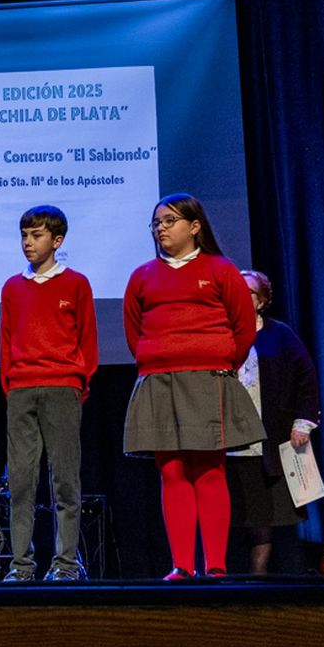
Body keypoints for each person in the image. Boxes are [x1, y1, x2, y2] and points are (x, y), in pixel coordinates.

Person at [123, 194, 262, 580]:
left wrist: (219, 360)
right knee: (171, 470)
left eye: (169, 221)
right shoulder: (142, 275)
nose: (161, 228)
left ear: (194, 226)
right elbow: (134, 331)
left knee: (209, 469)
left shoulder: (220, 269)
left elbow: (243, 328)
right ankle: (182, 565)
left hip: (207, 379)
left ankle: (215, 565)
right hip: (159, 381)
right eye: (157, 223)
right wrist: (157, 359)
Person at [0, 206, 98, 582]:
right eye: (24, 235)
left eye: (36, 235)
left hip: (62, 387)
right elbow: (7, 341)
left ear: (57, 240)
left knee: (65, 481)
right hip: (22, 390)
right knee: (21, 482)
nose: (28, 242)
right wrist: (11, 385)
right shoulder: (12, 287)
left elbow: (87, 341)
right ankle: (21, 565)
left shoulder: (76, 283)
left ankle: (65, 563)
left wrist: (77, 383)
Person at [225, 270, 321, 574]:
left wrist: (303, 421)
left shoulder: (279, 333)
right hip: (227, 441)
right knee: (234, 514)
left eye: (248, 292)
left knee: (265, 516)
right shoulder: (218, 333)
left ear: (262, 300)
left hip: (267, 439)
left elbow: (306, 377)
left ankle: (259, 580)